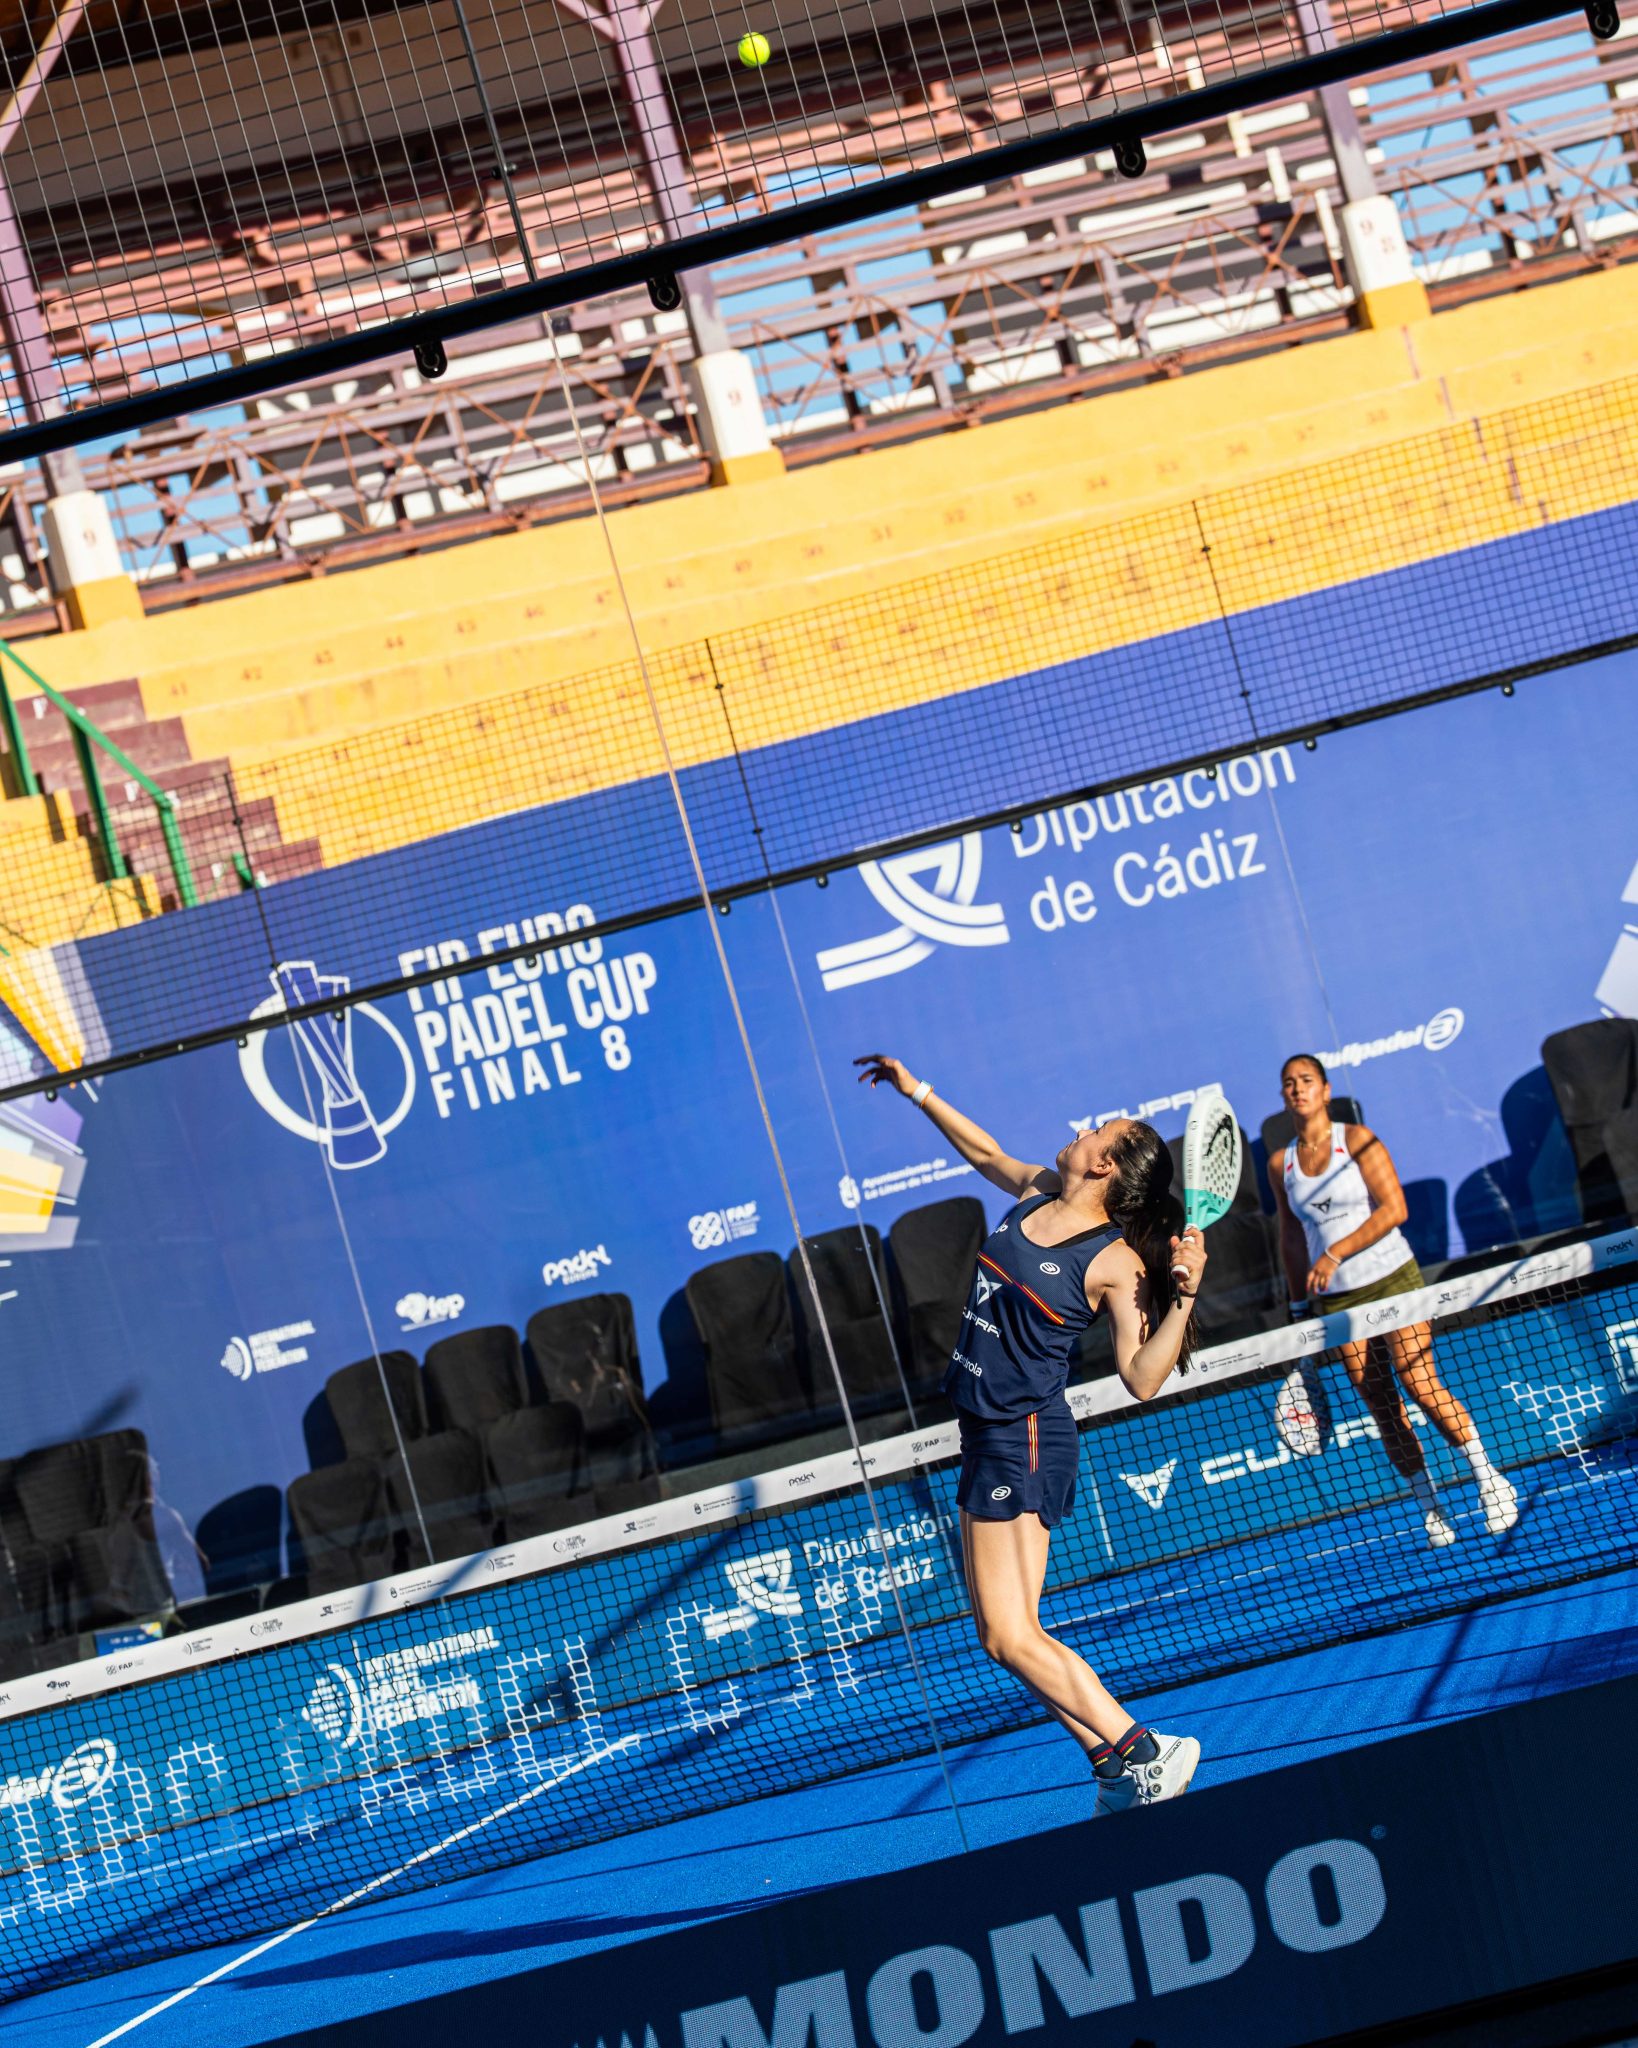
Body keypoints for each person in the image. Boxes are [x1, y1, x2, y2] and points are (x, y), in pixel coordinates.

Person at [856, 1052, 1206, 1814]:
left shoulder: (1114, 1263)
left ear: (1105, 1165)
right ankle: (1112, 1768)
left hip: (1027, 1438)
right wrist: (918, 1091)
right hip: (986, 1433)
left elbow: (1142, 1377)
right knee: (1002, 1637)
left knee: (1013, 1636)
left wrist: (1183, 1300)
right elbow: (985, 1152)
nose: (1083, 1129)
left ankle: (1148, 1750)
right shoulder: (1039, 1190)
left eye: (1098, 1130)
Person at [1268, 1053, 1519, 1546]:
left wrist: (1335, 1252)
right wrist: (1298, 1305)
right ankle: (1431, 1508)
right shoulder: (1282, 1164)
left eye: (1306, 1080)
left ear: (1325, 1090)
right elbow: (1292, 1239)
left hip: (1392, 1281)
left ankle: (1491, 1482)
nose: (1297, 1089)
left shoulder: (1358, 1141)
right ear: (1284, 1096)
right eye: (1289, 1083)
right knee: (1381, 1405)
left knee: (1419, 1383)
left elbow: (1395, 1209)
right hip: (1338, 1301)